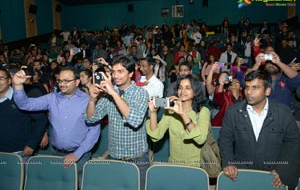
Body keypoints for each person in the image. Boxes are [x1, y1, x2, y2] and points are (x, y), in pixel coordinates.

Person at [12, 67, 100, 185]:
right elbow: (25, 105)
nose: (62, 84)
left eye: (66, 81)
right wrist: (17, 86)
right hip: (55, 153)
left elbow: (94, 131)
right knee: (56, 185)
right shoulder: (52, 98)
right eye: (59, 81)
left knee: (78, 185)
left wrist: (77, 154)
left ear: (77, 82)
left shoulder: (88, 101)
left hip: (80, 156)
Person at [219, 70, 300, 189]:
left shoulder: (283, 113)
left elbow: (293, 143)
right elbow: (225, 140)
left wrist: (283, 170)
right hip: (241, 175)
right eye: (247, 87)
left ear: (267, 91)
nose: (248, 92)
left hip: (273, 176)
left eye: (255, 87)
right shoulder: (233, 112)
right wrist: (228, 163)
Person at [86, 56, 150, 190]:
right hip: (114, 157)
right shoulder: (108, 95)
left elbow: (134, 120)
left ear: (131, 74)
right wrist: (92, 99)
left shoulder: (141, 93)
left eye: (120, 71)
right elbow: (91, 118)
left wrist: (114, 93)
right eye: (113, 72)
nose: (115, 75)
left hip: (137, 159)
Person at [147, 74, 209, 168]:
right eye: (180, 88)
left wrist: (182, 114)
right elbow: (156, 136)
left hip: (195, 166)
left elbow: (200, 139)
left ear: (195, 91)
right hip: (173, 164)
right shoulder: (171, 110)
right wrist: (153, 112)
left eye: (188, 88)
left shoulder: (203, 111)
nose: (182, 91)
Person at [0, 67, 48, 161]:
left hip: (19, 152)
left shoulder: (21, 98)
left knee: (22, 176)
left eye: (1, 79)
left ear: (9, 80)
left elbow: (41, 120)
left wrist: (31, 144)